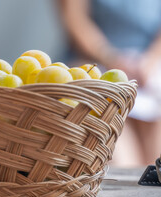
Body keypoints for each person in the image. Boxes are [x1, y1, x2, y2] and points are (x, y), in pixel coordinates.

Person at [59, 0, 161, 167]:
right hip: (95, 63)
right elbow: (75, 19)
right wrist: (112, 58)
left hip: (149, 71)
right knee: (119, 160)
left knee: (153, 164)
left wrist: (149, 62)